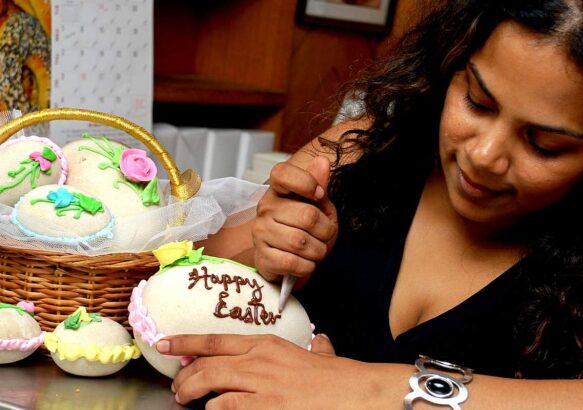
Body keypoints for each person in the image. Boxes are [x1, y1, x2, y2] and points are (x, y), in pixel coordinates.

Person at [156, 0, 583, 407]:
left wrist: (374, 390)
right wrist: (267, 255)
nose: (485, 155)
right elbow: (175, 281)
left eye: (544, 145)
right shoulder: (360, 149)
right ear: (451, 63)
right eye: (477, 102)